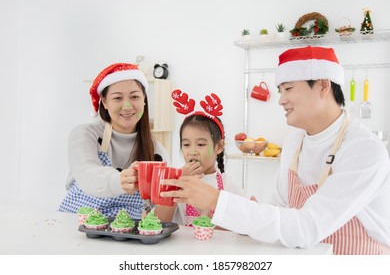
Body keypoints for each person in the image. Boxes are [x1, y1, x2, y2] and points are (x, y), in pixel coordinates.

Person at [161, 46, 390, 255]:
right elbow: (280, 210)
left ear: (323, 85)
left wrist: (216, 201)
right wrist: (250, 212)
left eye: (288, 88)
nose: (281, 100)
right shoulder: (294, 143)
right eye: (280, 91)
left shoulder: (363, 150)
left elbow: (308, 227)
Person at [59, 63, 170, 219]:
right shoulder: (84, 135)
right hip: (78, 228)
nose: (127, 106)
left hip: (129, 233)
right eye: (117, 98)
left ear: (144, 99)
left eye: (135, 96)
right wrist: (119, 181)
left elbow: (160, 204)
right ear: (104, 102)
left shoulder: (155, 149)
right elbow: (87, 175)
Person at [169, 90, 246, 226]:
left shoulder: (226, 184)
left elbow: (242, 222)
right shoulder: (176, 181)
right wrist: (176, 183)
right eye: (186, 144)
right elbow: (159, 221)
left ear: (219, 147)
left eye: (201, 144)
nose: (192, 152)